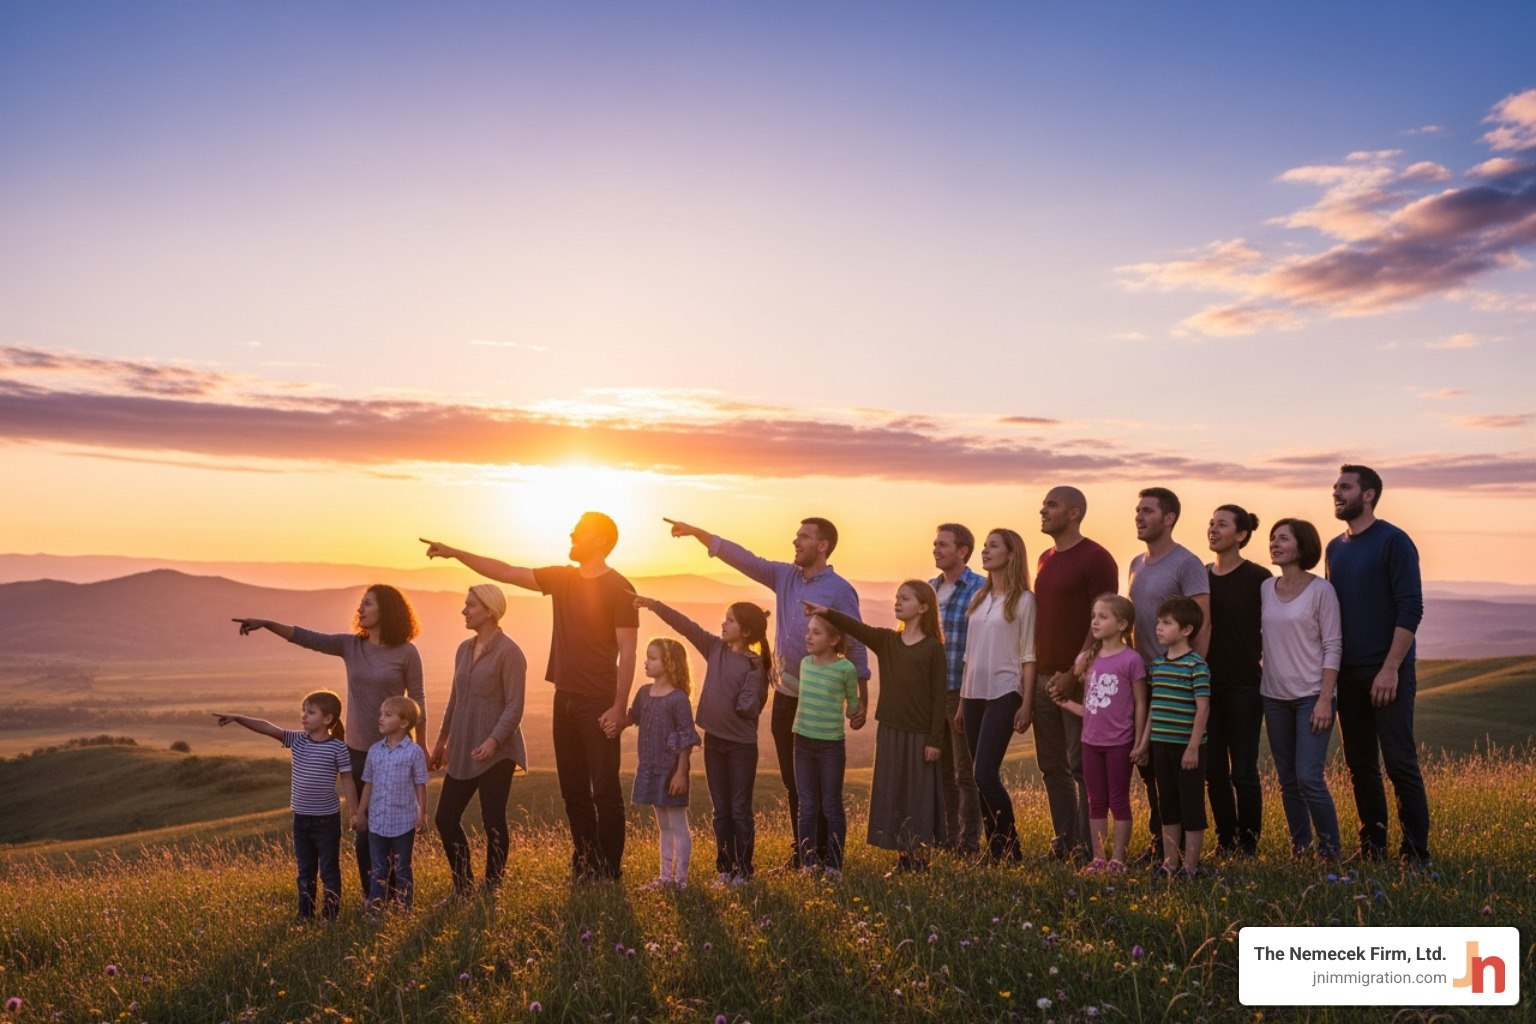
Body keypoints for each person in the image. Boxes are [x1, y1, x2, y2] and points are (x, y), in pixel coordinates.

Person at [420, 513, 639, 882]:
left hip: (599, 700)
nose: (571, 534)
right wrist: (454, 552)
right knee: (573, 792)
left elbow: (628, 651)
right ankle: (586, 864)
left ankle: (609, 871)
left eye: (580, 531)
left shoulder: (620, 587)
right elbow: (506, 572)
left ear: (600, 540)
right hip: (564, 698)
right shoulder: (562, 578)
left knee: (605, 789)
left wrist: (619, 708)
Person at [662, 516, 870, 869]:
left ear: (822, 545)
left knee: (819, 785)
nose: (795, 541)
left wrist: (859, 698)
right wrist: (701, 535)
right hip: (786, 697)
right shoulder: (784, 576)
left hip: (821, 697)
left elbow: (857, 641)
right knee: (794, 781)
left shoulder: (839, 590)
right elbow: (746, 559)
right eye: (796, 535)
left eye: (803, 537)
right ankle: (804, 854)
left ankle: (825, 857)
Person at [233, 584, 425, 898]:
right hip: (360, 752)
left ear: (386, 610)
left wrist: (423, 747)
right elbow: (308, 637)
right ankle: (373, 897)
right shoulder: (352, 646)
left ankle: (399, 895)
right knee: (365, 831)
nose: (360, 609)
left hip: (397, 753)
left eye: (368, 604)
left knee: (395, 829)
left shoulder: (407, 652)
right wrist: (268, 623)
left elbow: (419, 703)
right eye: (360, 604)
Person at [804, 580, 947, 876]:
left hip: (920, 733)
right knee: (894, 791)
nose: (897, 602)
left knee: (918, 794)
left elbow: (938, 697)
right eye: (896, 597)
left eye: (904, 598)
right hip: (891, 729)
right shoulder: (887, 641)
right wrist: (826, 612)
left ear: (923, 607)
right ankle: (903, 858)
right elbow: (857, 628)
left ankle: (920, 859)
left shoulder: (933, 648)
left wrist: (935, 740)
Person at [1326, 464, 1429, 866]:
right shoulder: (1335, 547)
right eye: (1335, 487)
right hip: (1348, 673)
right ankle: (1373, 848)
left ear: (1368, 495)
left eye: (1345, 487)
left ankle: (1417, 852)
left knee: (1400, 762)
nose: (1336, 493)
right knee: (1360, 765)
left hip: (1389, 670)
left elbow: (1411, 608)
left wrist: (1390, 668)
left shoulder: (1394, 541)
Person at [636, 596, 771, 885]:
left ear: (746, 632)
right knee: (721, 810)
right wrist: (655, 605)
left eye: (730, 619)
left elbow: (752, 706)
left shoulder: (756, 665)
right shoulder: (715, 648)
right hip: (715, 743)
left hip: (742, 748)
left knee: (739, 809)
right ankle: (725, 870)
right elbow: (686, 626)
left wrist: (768, 674)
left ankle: (744, 872)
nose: (723, 623)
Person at [213, 691, 358, 920]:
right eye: (304, 711)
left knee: (329, 871)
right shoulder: (297, 740)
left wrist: (355, 813)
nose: (304, 716)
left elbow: (348, 781)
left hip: (327, 820)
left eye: (311, 712)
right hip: (301, 819)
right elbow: (267, 727)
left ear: (328, 719)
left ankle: (330, 917)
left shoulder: (337, 748)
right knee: (305, 872)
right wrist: (238, 717)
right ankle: (305, 917)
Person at [1035, 486, 1120, 863]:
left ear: (1074, 513)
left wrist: (1075, 670)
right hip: (1042, 677)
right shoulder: (1044, 558)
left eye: (1051, 504)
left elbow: (1103, 622)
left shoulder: (1097, 558)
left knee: (1080, 766)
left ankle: (1089, 847)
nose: (1043, 510)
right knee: (1051, 766)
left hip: (1080, 679)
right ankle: (1065, 842)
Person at [1127, 487, 1210, 861]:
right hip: (1143, 678)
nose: (1139, 517)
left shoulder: (1187, 563)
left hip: (1177, 683)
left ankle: (1174, 853)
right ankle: (1162, 846)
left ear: (1169, 517)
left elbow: (1202, 622)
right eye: (1137, 511)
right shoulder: (1135, 564)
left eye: (1147, 511)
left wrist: (1190, 674)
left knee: (1181, 777)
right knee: (1150, 769)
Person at [429, 584, 527, 897]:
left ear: (489, 610)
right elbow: (455, 699)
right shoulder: (463, 649)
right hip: (462, 746)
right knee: (445, 819)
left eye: (470, 605)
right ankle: (464, 886)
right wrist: (442, 740)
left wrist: (494, 741)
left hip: (497, 752)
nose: (464, 610)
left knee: (493, 821)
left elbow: (515, 705)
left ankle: (491, 888)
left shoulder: (510, 652)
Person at [1261, 518, 1343, 860]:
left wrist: (1325, 699)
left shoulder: (1321, 590)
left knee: (1308, 776)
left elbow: (1333, 646)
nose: (1275, 544)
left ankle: (1330, 851)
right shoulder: (1266, 588)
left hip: (1312, 695)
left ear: (1302, 545)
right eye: (1272, 538)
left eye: (1284, 538)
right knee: (1288, 781)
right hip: (1274, 697)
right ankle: (1300, 849)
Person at [958, 528, 1037, 865]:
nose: (985, 551)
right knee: (979, 779)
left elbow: (1029, 655)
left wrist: (1027, 704)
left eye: (993, 546)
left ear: (1011, 554)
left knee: (984, 773)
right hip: (973, 693)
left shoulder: (1024, 600)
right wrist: (962, 701)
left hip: (1005, 692)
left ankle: (1011, 847)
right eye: (985, 546)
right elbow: (968, 654)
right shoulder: (980, 597)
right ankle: (996, 850)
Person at [1053, 595, 1146, 874]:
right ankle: (1098, 858)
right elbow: (1093, 708)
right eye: (1094, 615)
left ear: (1122, 624)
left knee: (1117, 800)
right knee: (1095, 801)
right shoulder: (1086, 659)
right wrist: (1065, 703)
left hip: (1120, 743)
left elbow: (1141, 703)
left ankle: (1117, 859)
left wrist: (1140, 742)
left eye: (1103, 617)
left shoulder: (1131, 660)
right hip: (1090, 742)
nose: (1095, 621)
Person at [1204, 504, 1271, 857]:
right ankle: (1224, 840)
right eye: (1211, 523)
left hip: (1245, 685)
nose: (1213, 529)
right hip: (1204, 688)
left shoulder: (1260, 579)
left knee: (1242, 771)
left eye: (1222, 525)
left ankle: (1248, 844)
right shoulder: (1200, 576)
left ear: (1241, 534)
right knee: (1213, 771)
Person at [1135, 597, 1210, 879]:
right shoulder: (1157, 665)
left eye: (1167, 623)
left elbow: (1203, 707)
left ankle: (1190, 867)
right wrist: (1144, 744)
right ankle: (1170, 864)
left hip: (1188, 749)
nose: (1159, 628)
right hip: (1160, 747)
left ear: (1187, 629)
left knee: (1191, 805)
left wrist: (1193, 747)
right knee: (1167, 805)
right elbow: (1155, 706)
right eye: (1159, 622)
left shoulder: (1196, 666)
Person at [621, 637, 702, 890]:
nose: (646, 662)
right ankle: (665, 877)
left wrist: (681, 773)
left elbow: (686, 739)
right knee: (663, 826)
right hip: (650, 769)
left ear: (668, 663)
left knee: (678, 824)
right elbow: (631, 717)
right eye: (647, 656)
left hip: (671, 771)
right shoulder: (644, 693)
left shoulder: (678, 699)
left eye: (652, 658)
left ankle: (681, 880)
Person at [931, 523, 987, 856]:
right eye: (934, 544)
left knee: (965, 772)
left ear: (963, 550)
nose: (936, 549)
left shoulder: (981, 588)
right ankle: (948, 838)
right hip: (932, 693)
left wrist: (969, 695)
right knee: (940, 770)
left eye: (943, 544)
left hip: (963, 690)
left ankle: (969, 843)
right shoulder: (929, 588)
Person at [793, 613, 860, 876]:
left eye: (817, 632)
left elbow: (852, 705)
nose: (809, 636)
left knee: (831, 804)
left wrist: (856, 714)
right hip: (803, 742)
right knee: (807, 805)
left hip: (831, 744)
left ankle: (834, 865)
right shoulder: (805, 664)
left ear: (834, 640)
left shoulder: (846, 669)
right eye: (809, 630)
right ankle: (807, 863)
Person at [356, 695, 429, 910]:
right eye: (381, 714)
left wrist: (422, 813)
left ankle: (404, 907)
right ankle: (376, 907)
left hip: (404, 821)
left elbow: (420, 784)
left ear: (404, 723)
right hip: (377, 820)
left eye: (387, 715)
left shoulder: (414, 752)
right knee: (378, 867)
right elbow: (368, 783)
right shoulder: (374, 751)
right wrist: (361, 813)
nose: (380, 718)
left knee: (402, 866)